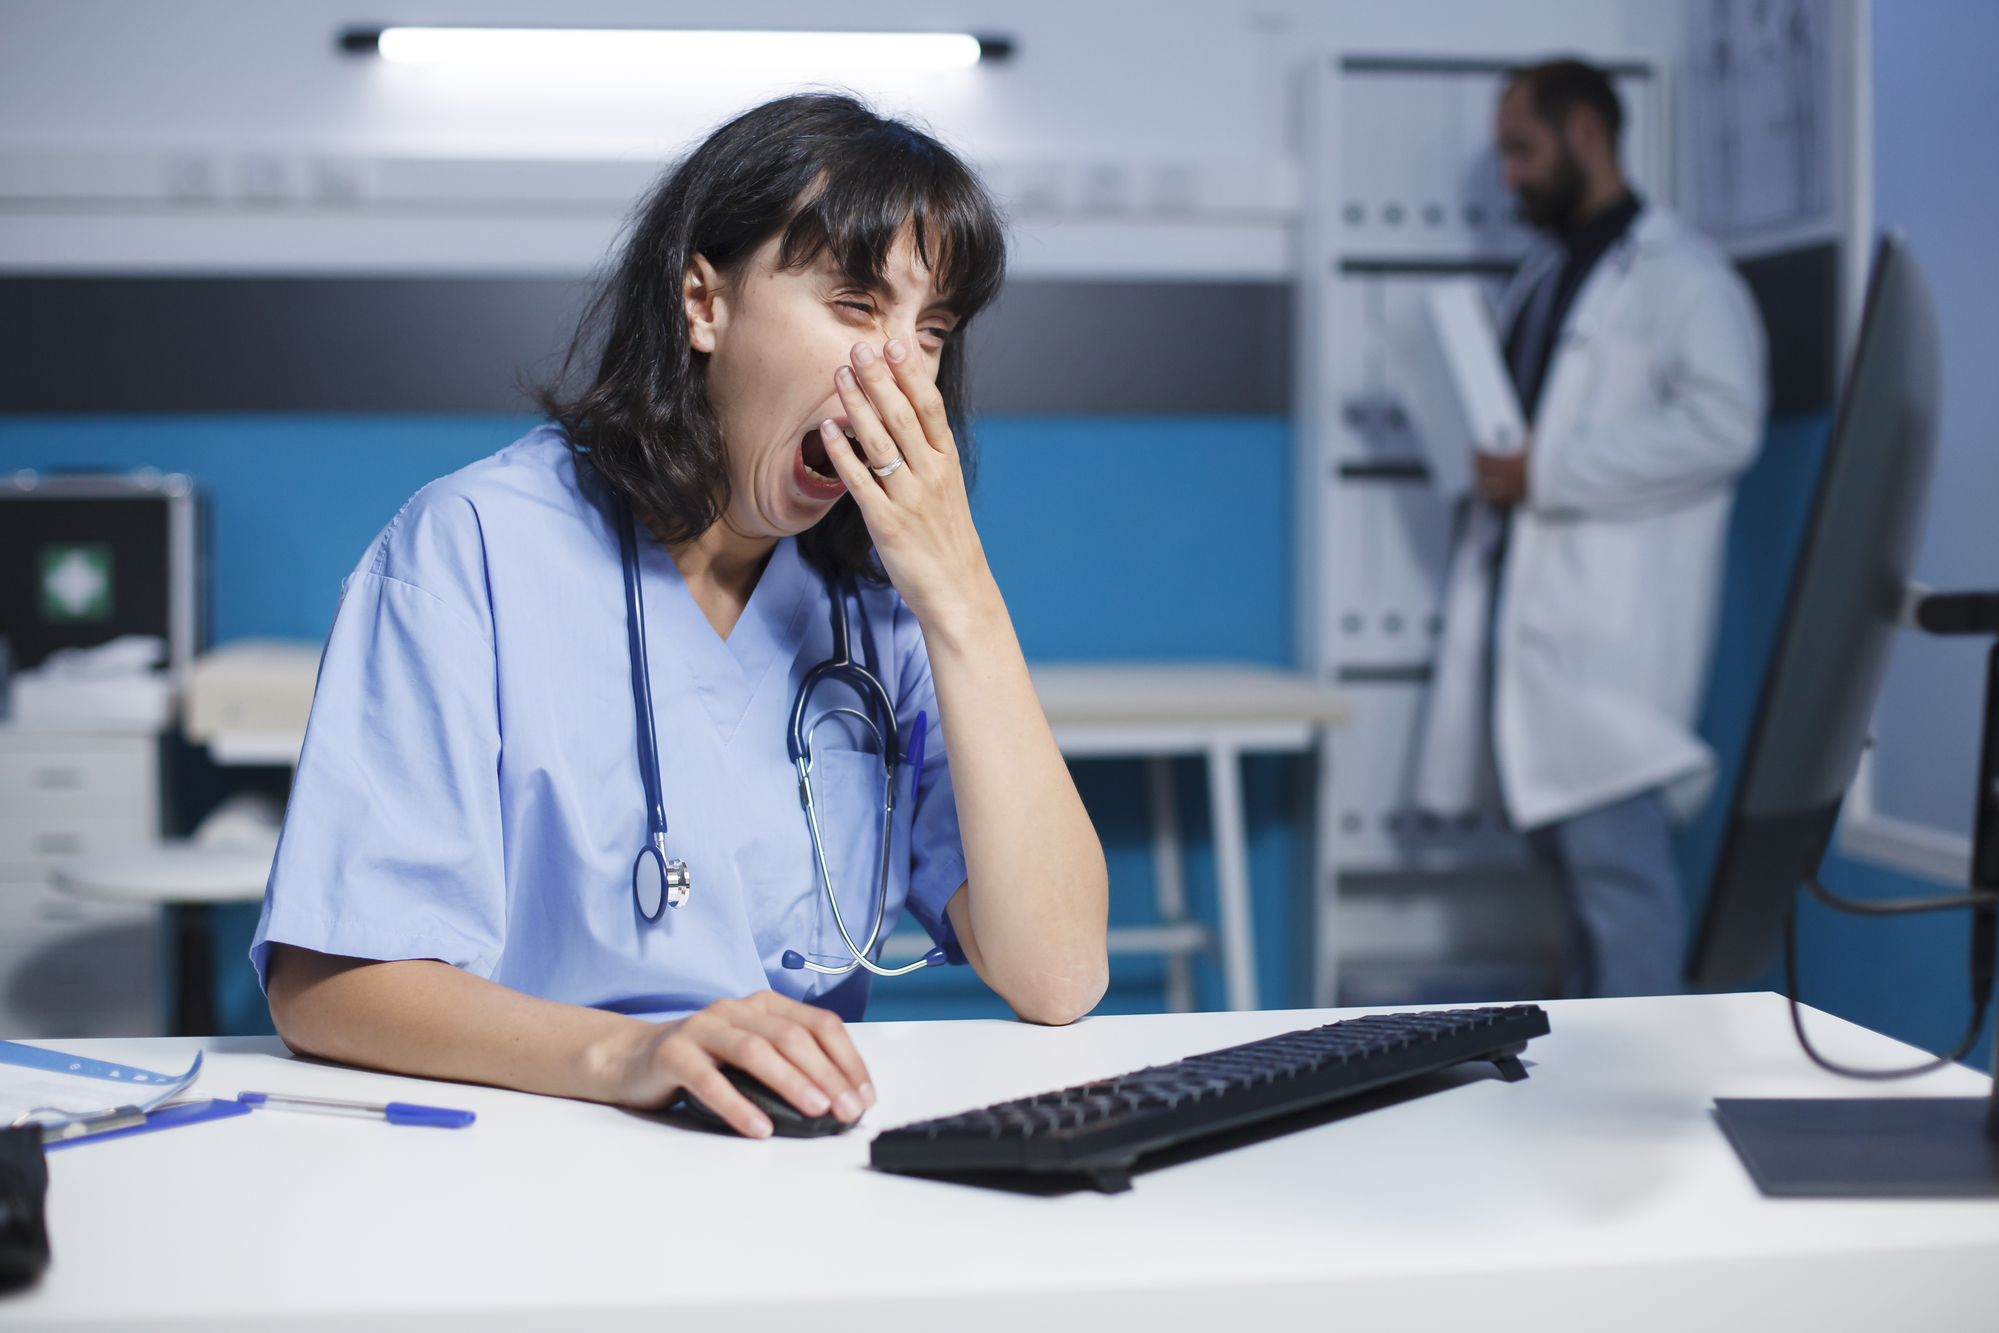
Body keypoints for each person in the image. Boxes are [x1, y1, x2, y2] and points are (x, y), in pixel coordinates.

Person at [254, 95, 1111, 1138]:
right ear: (703, 305)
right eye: (854, 303)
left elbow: (1059, 973)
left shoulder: (882, 610)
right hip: (525, 1149)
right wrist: (631, 1054)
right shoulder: (470, 551)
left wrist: (963, 594)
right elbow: (327, 980)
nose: (904, 375)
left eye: (931, 331)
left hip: (786, 1161)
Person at [1412, 60, 1767, 998]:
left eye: (1522, 150)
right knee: (1579, 901)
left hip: (1611, 656)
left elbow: (1725, 424)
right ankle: (1594, 1109)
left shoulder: (1684, 278)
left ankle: (1648, 1118)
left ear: (1586, 134)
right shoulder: (1547, 273)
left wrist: (1548, 472)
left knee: (1621, 891)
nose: (1509, 177)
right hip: (1540, 636)